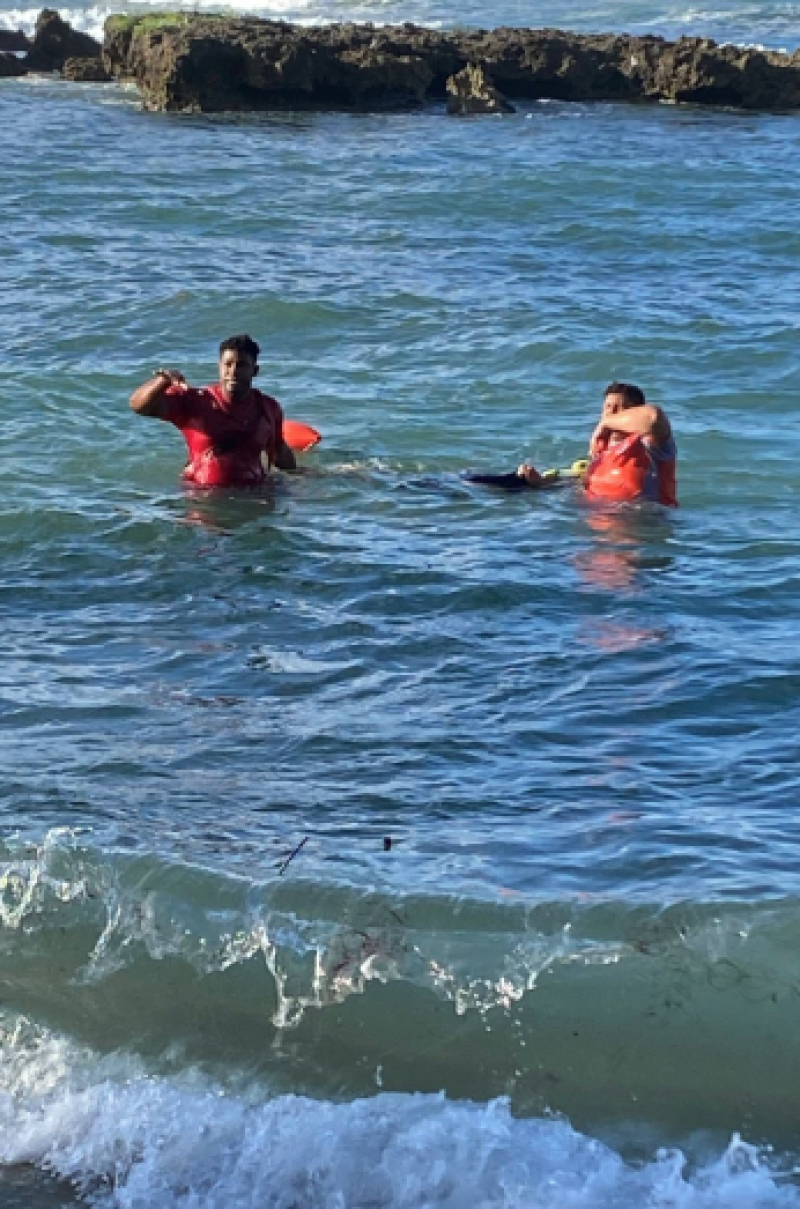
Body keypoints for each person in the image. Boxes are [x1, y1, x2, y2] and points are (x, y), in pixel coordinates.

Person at [130, 334, 297, 487]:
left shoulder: (267, 407)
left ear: (255, 371)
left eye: (242, 365)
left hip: (254, 494)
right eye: (228, 364)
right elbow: (139, 406)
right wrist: (164, 380)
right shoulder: (195, 402)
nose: (233, 372)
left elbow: (278, 452)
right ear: (219, 367)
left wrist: (300, 475)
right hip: (203, 498)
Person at [518, 382, 677, 507]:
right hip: (598, 534)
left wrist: (605, 424)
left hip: (643, 531)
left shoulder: (652, 446)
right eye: (607, 407)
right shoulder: (599, 453)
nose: (611, 412)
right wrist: (539, 482)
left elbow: (652, 418)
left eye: (621, 407)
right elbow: (578, 483)